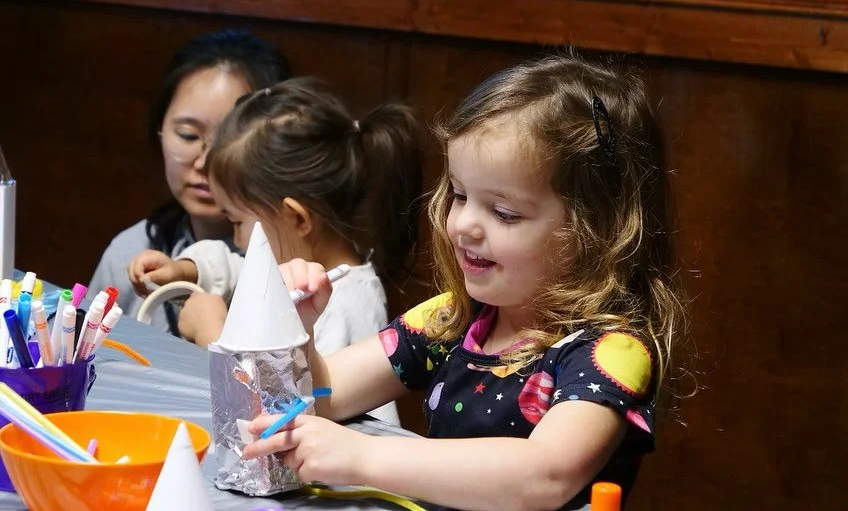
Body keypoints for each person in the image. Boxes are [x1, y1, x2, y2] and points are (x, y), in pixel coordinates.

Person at [242, 52, 689, 511]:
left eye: (504, 212)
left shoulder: (609, 352)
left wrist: (363, 456)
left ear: (594, 232)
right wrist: (296, 328)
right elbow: (325, 394)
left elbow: (544, 476)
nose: (463, 225)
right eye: (459, 194)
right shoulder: (453, 319)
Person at [128, 78, 424, 424]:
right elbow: (237, 265)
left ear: (296, 218)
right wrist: (187, 269)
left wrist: (214, 335)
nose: (236, 240)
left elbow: (286, 408)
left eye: (236, 222)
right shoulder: (303, 261)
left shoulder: (343, 308)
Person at [89, 30, 290, 334]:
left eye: (229, 141)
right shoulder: (132, 251)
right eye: (188, 135)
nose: (204, 163)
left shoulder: (294, 274)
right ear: (159, 132)